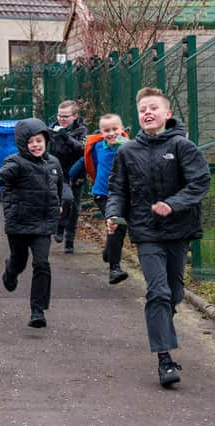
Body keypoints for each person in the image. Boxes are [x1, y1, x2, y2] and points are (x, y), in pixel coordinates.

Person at [105, 87, 210, 388]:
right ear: (137, 117)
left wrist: (172, 204)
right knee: (158, 292)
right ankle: (165, 360)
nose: (147, 113)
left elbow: (200, 181)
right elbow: (117, 190)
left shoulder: (182, 146)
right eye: (142, 110)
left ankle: (163, 324)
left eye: (153, 108)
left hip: (177, 231)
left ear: (167, 114)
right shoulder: (127, 151)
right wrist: (114, 215)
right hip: (146, 231)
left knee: (175, 294)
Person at [0, 118, 63, 328]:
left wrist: (61, 203)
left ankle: (38, 310)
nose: (35, 145)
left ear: (46, 141)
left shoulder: (53, 162)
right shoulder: (15, 163)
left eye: (39, 140)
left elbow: (60, 185)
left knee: (42, 263)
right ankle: (11, 271)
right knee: (20, 260)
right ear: (22, 143)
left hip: (43, 223)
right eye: (31, 141)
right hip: (19, 221)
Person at [69, 113, 129, 284]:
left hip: (122, 194)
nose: (111, 133)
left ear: (122, 129)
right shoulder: (97, 147)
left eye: (115, 129)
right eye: (106, 130)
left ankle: (109, 252)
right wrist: (71, 177)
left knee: (120, 227)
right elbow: (86, 162)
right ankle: (114, 269)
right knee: (116, 225)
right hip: (102, 194)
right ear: (101, 132)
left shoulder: (128, 147)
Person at [49, 100, 87, 253]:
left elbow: (82, 149)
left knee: (75, 207)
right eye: (59, 116)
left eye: (65, 116)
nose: (61, 119)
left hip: (76, 172)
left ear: (75, 116)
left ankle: (69, 241)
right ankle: (60, 227)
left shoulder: (81, 130)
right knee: (65, 200)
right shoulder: (52, 128)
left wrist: (65, 137)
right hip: (58, 172)